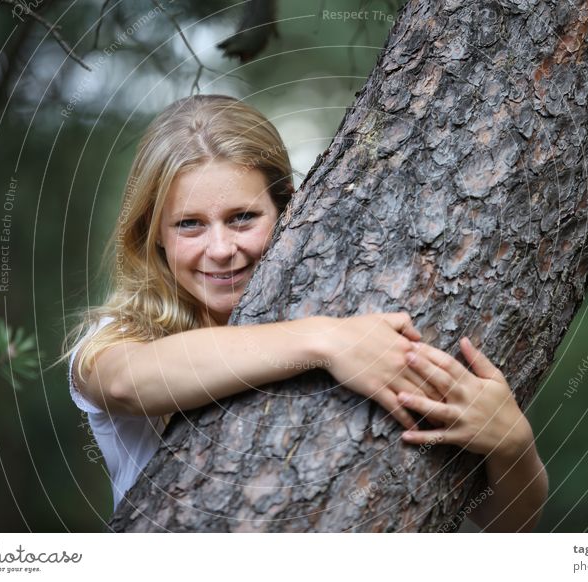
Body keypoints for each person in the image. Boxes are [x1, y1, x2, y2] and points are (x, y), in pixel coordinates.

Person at [63, 94, 548, 531]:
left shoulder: (343, 306)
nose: (221, 248)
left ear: (290, 211)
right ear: (156, 235)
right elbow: (126, 382)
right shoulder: (119, 338)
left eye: (242, 218)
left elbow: (502, 531)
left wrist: (513, 445)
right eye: (189, 224)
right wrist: (324, 341)